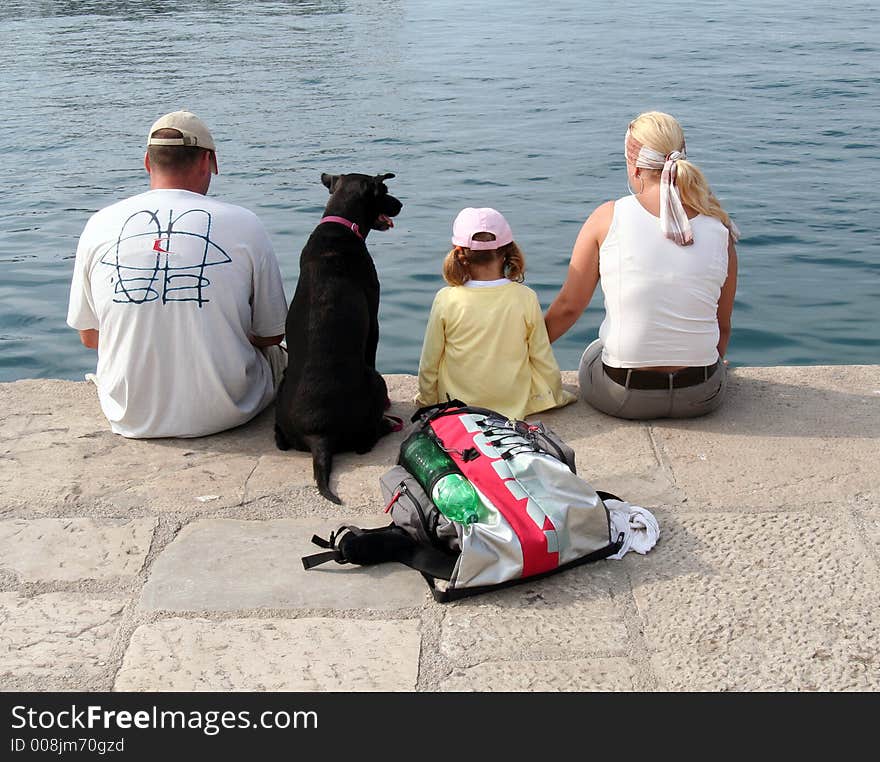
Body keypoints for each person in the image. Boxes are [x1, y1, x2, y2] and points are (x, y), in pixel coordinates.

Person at [67, 110, 288, 438]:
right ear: (208, 162)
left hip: (130, 414)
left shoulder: (99, 223)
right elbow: (271, 335)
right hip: (229, 410)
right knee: (285, 355)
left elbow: (90, 337)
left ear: (147, 162)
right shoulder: (246, 224)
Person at [544, 111, 739, 420]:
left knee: (596, 349)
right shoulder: (720, 228)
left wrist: (521, 357)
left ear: (634, 167)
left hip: (624, 395)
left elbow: (568, 308)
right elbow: (722, 325)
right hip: (700, 394)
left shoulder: (607, 218)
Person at [416, 207, 576, 420]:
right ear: (508, 250)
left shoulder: (446, 299)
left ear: (459, 251)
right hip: (513, 405)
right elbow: (542, 357)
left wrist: (427, 401)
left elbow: (430, 361)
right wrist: (554, 394)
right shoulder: (525, 297)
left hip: (458, 405)